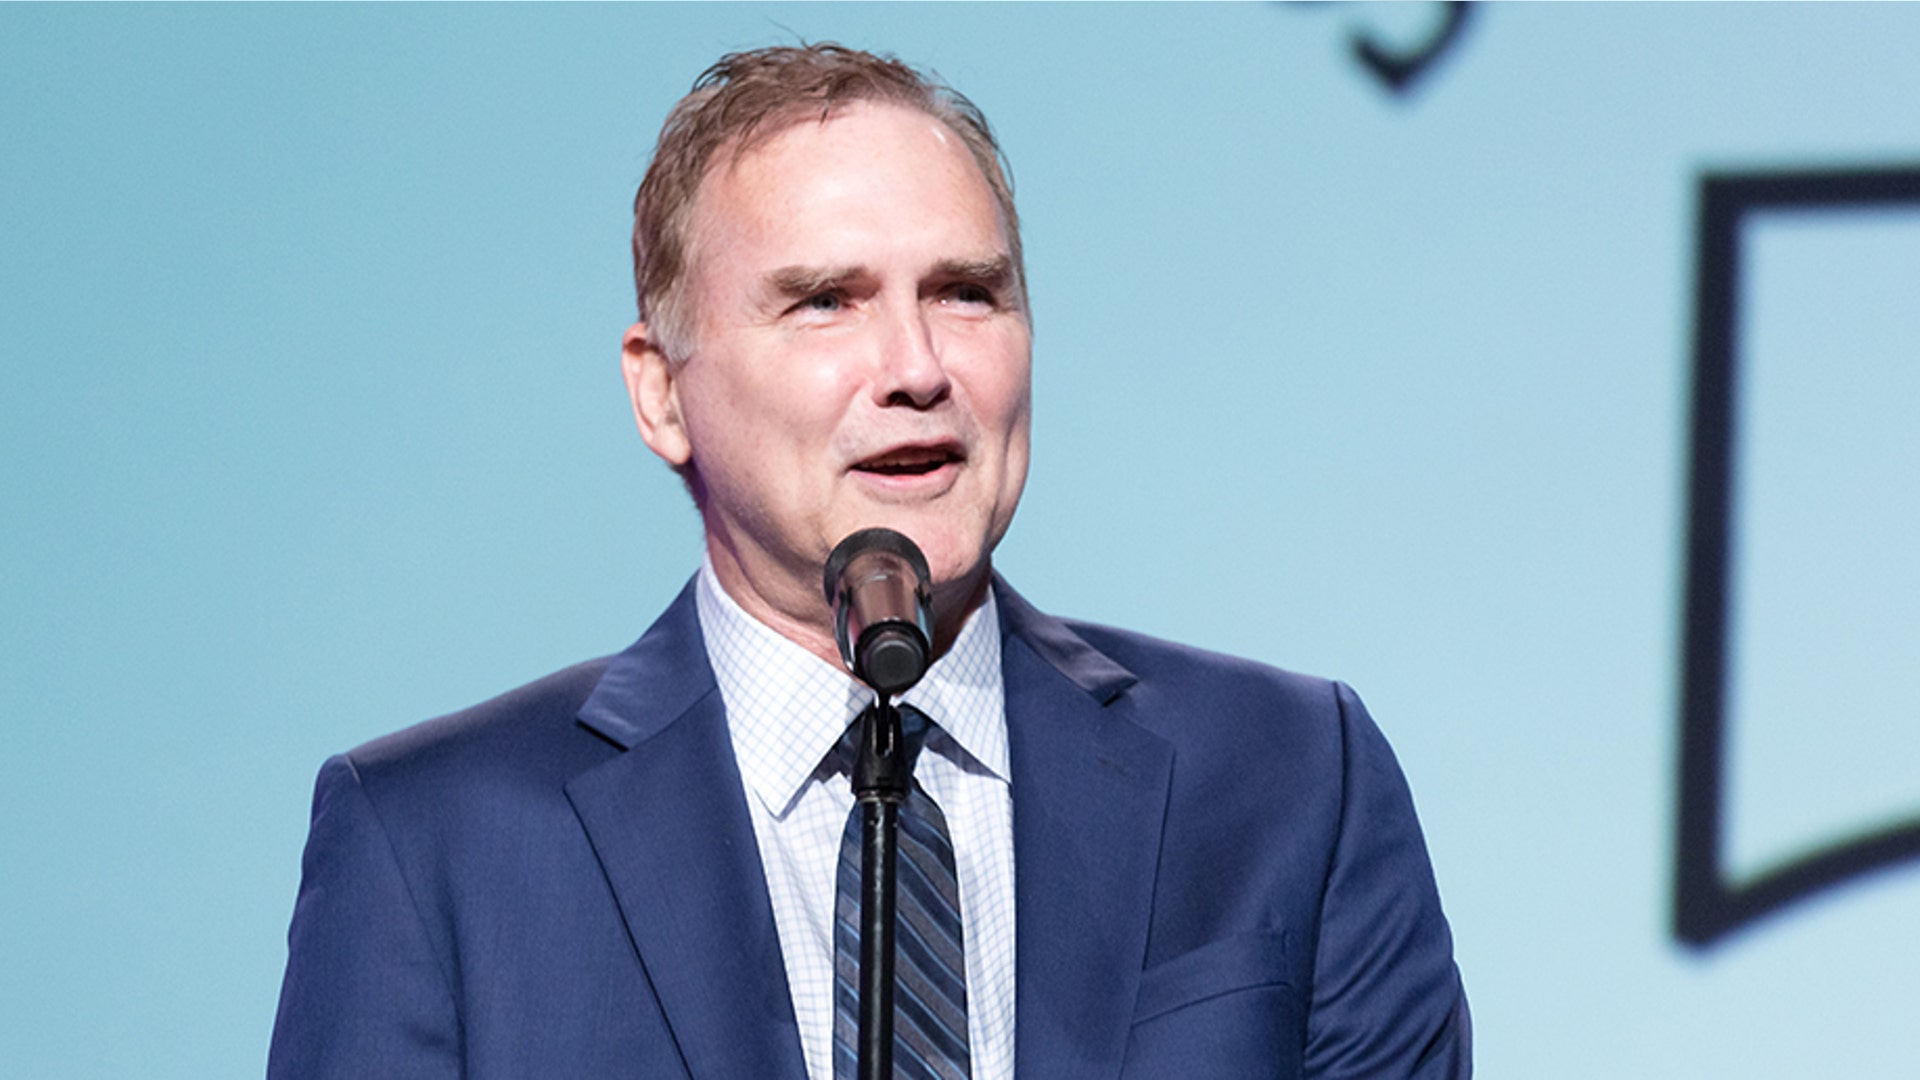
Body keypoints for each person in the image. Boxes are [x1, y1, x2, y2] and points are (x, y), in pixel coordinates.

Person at [269, 43, 1470, 1080]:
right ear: (661, 391)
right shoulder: (437, 846)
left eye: (966, 293)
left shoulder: (1291, 780)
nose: (915, 366)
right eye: (825, 302)